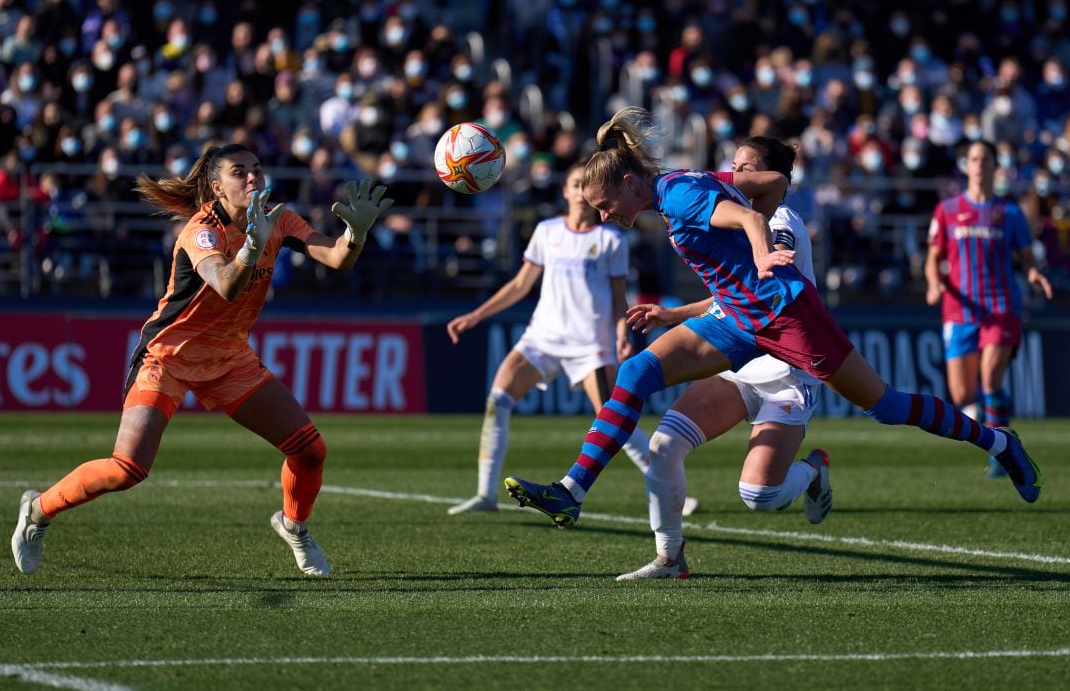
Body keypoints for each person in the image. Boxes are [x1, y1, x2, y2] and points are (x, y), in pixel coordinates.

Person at [504, 107, 1042, 567]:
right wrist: (689, 304)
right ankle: (571, 491)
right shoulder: (683, 185)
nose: (603, 215)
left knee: (887, 405)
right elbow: (766, 186)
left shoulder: (679, 197)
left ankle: (998, 441)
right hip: (738, 320)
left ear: (627, 183)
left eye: (604, 205)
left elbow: (751, 219)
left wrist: (761, 250)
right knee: (636, 372)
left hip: (787, 318)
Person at [10, 143, 394, 578]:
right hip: (169, 356)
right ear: (217, 187)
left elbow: (339, 258)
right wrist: (252, 245)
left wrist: (356, 234)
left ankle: (294, 526)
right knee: (128, 469)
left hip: (229, 357)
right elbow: (226, 285)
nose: (253, 178)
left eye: (257, 169)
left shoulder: (280, 219)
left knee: (310, 451)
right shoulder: (201, 230)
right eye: (239, 172)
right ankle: (39, 509)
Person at [617, 136, 830, 580]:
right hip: (740, 362)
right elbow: (732, 298)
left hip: (786, 369)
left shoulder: (781, 220)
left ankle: (811, 471)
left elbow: (767, 281)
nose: (735, 175)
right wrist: (676, 314)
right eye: (734, 165)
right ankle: (670, 556)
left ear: (773, 179)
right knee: (664, 446)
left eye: (746, 168)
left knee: (759, 495)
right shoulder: (734, 212)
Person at [445, 160, 700, 516]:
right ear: (564, 191)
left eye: (585, 185)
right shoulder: (547, 231)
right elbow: (520, 285)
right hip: (542, 337)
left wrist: (621, 333)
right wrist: (475, 316)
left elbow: (617, 297)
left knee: (613, 419)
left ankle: (673, 490)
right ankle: (486, 494)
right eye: (574, 184)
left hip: (589, 344)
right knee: (498, 400)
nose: (580, 192)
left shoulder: (610, 238)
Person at [925, 141, 1053, 478]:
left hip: (1000, 306)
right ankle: (1001, 437)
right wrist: (934, 282)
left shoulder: (1010, 213)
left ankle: (1002, 453)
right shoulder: (947, 210)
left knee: (992, 374)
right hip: (958, 309)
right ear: (966, 165)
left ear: (996, 166)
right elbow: (933, 259)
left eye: (986, 159)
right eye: (975, 159)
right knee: (963, 395)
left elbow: (1026, 258)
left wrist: (1034, 273)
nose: (979, 165)